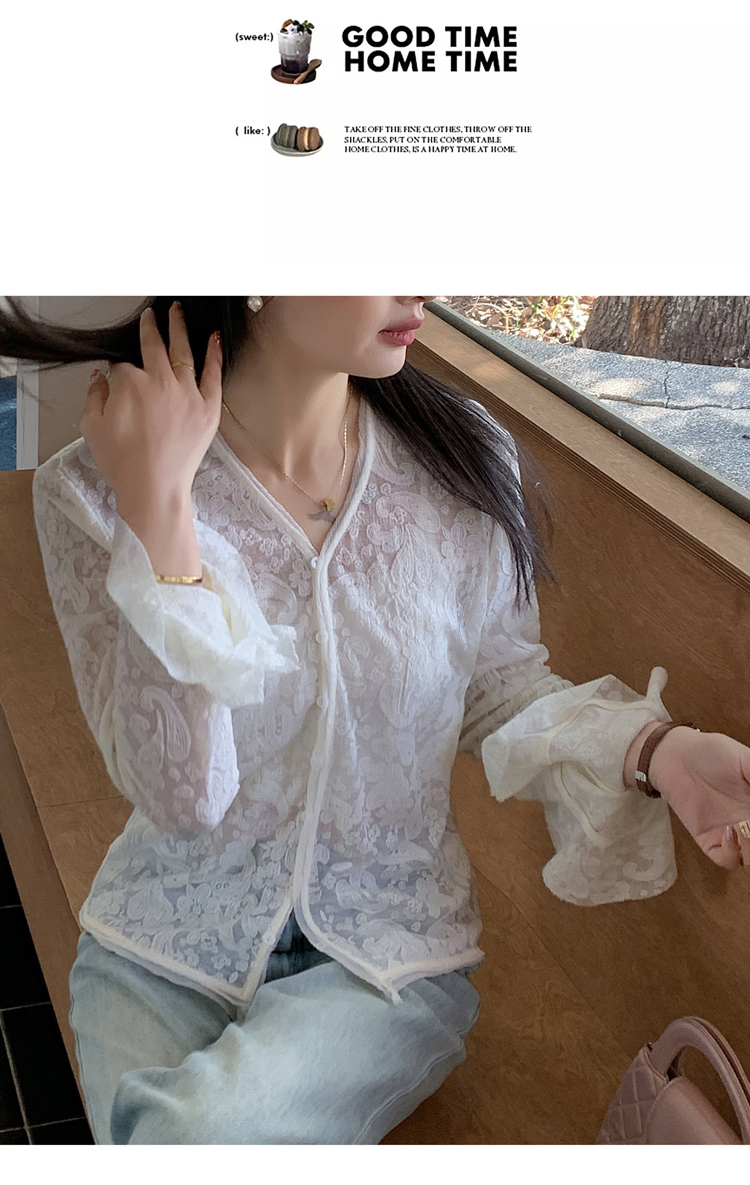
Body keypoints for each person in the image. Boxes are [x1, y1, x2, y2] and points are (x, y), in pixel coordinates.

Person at [2, 295, 749, 1145]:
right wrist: (161, 513)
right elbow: (185, 799)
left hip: (387, 957)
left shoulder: (461, 459)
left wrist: (659, 751)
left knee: (183, 1143)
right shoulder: (92, 490)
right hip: (164, 943)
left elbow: (496, 687)